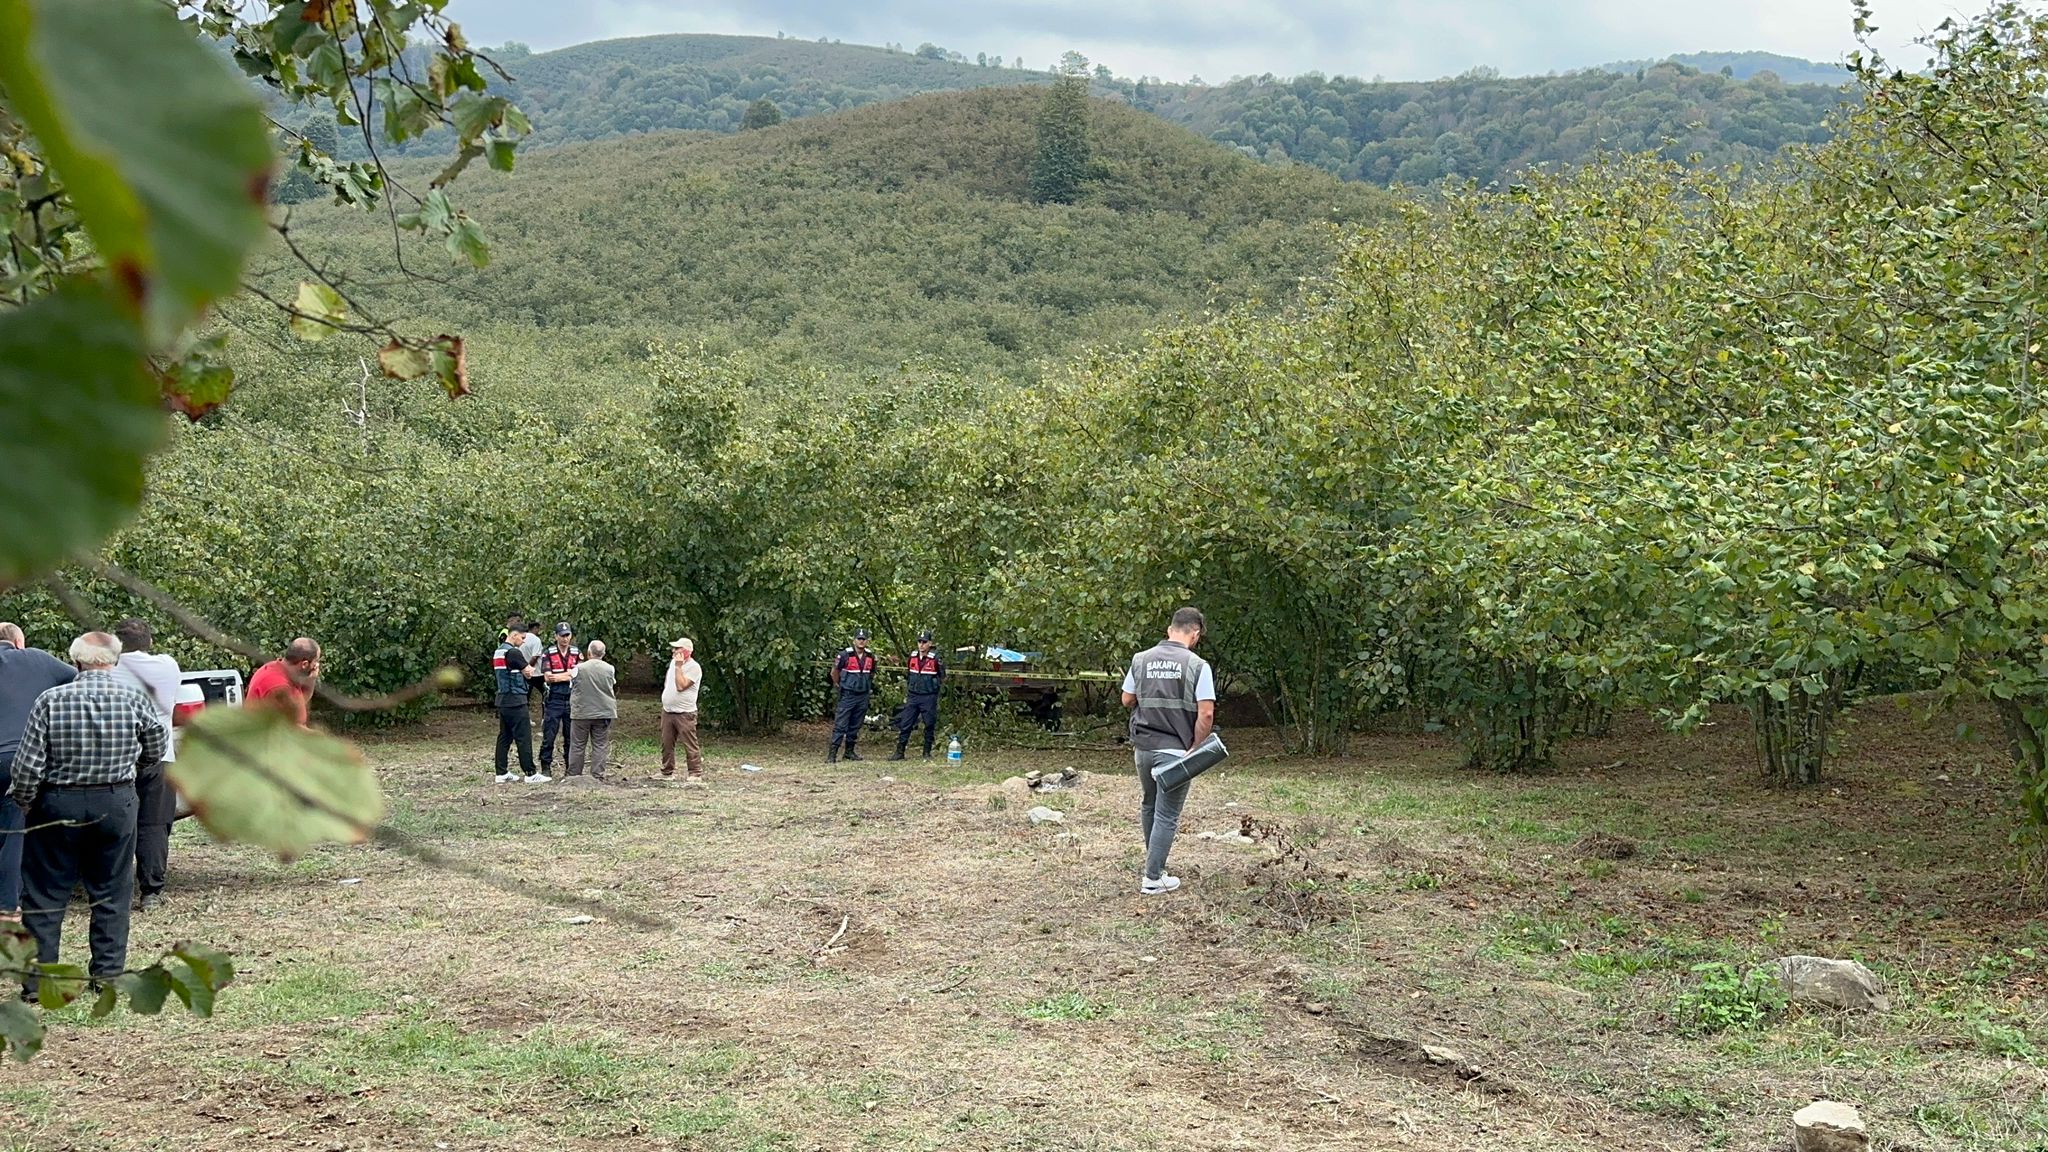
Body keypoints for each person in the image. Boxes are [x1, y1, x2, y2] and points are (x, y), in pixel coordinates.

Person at [10, 632, 165, 996]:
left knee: (44, 894)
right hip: (115, 801)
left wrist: (26, 800)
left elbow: (27, 766)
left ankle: (39, 984)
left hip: (58, 802)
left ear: (76, 661)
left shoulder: (50, 700)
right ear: (115, 660)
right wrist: (131, 770)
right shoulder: (134, 698)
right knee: (112, 892)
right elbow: (156, 746)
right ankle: (107, 977)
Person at [1121, 607, 1215, 896]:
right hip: (1176, 751)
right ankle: (1152, 877)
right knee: (1167, 813)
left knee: (1149, 805)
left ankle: (1155, 864)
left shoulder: (1140, 659)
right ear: (1195, 634)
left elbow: (1126, 699)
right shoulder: (1198, 666)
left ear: (1169, 629)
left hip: (1144, 748)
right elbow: (1206, 713)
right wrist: (1196, 747)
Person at [0, 624, 77, 919]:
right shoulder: (35, 659)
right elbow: (79, 678)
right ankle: (8, 904)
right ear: (19, 642)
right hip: (18, 757)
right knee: (13, 831)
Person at [111, 619, 179, 913]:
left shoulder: (108, 671)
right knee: (154, 825)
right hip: (160, 755)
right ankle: (151, 891)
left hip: (117, 757)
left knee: (115, 826)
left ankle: (114, 888)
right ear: (149, 642)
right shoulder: (168, 666)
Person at [492, 623, 546, 783]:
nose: (523, 642)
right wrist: (526, 671)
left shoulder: (499, 651)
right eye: (522, 638)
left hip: (503, 699)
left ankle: (501, 772)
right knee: (523, 736)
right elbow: (529, 671)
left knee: (505, 736)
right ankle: (530, 773)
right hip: (516, 699)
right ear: (514, 635)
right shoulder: (513, 652)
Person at [890, 631, 945, 760]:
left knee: (929, 724)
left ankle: (926, 752)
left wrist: (933, 688)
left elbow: (942, 676)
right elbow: (909, 673)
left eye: (924, 642)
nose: (921, 644)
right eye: (919, 642)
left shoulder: (936, 658)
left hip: (928, 696)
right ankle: (900, 752)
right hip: (913, 696)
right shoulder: (913, 656)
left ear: (930, 643)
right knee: (906, 723)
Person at [566, 640, 617, 779]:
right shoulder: (610, 669)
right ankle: (597, 775)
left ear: (589, 653)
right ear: (603, 654)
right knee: (600, 744)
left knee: (577, 744)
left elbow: (572, 686)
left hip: (581, 712)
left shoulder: (578, 668)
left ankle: (574, 774)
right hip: (604, 711)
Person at [827, 629, 876, 763]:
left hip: (863, 695)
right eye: (859, 639)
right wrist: (839, 684)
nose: (861, 641)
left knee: (856, 724)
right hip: (847, 694)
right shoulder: (844, 655)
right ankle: (832, 754)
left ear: (867, 641)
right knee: (840, 725)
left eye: (863, 639)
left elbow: (872, 673)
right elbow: (834, 672)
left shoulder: (870, 656)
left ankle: (849, 752)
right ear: (854, 640)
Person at [247, 637, 321, 726]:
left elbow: (298, 704)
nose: (317, 665)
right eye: (316, 661)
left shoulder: (279, 671)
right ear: (304, 664)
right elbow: (293, 728)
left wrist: (311, 679)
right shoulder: (278, 686)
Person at [537, 622, 580, 776]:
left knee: (571, 736)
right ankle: (545, 767)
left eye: (567, 635)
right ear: (556, 636)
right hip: (554, 698)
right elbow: (548, 677)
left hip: (571, 698)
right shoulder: (548, 652)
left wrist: (560, 676)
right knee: (549, 735)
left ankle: (570, 768)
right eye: (562, 635)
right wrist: (569, 674)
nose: (565, 638)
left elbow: (579, 674)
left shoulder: (576, 652)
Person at [660, 638, 704, 782]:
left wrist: (679, 667)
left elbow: (681, 686)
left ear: (687, 651)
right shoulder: (673, 663)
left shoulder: (694, 668)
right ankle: (666, 772)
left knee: (690, 743)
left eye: (677, 648)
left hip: (685, 713)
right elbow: (669, 683)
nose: (674, 651)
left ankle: (695, 773)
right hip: (668, 710)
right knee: (666, 743)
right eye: (674, 648)